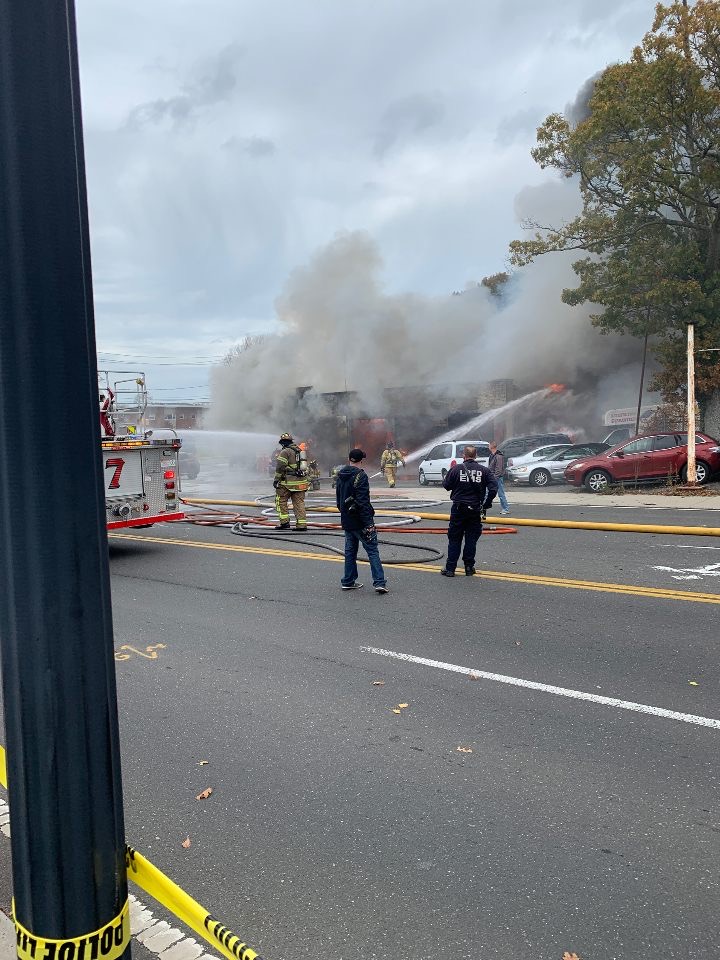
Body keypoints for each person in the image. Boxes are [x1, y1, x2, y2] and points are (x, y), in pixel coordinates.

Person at [335, 448, 388, 594]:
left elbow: (339, 502)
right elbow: (363, 502)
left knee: (350, 551)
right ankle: (379, 582)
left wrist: (346, 515)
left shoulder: (340, 476)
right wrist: (369, 524)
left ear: (349, 459)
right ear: (361, 461)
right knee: (372, 550)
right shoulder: (361, 476)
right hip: (360, 521)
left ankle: (348, 581)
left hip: (347, 521)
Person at [440, 445, 497, 577]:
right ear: (475, 456)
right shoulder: (484, 470)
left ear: (463, 456)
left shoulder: (456, 469)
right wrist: (487, 503)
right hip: (475, 509)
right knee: (471, 539)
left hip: (458, 509)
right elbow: (493, 488)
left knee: (454, 538)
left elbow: (446, 486)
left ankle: (450, 569)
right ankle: (469, 567)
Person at [273, 433, 309, 531]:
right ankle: (301, 525)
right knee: (299, 503)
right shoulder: (299, 450)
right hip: (301, 482)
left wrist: (276, 479)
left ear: (282, 443)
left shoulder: (285, 452)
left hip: (288, 483)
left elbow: (280, 467)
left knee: (280, 500)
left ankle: (284, 522)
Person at [488, 441, 510, 515]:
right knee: (486, 493)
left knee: (501, 494)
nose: (488, 447)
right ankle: (482, 507)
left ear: (491, 446)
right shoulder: (492, 455)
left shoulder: (498, 456)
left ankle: (506, 509)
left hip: (497, 478)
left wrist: (494, 478)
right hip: (492, 477)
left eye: (489, 445)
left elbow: (499, 469)